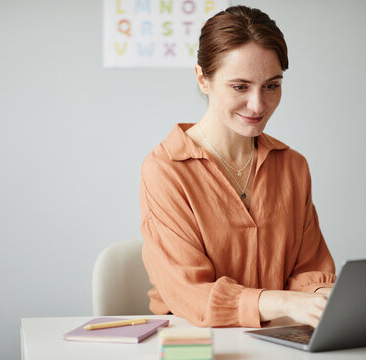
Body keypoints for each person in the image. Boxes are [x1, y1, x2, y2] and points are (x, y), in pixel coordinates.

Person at [139, 5, 336, 329]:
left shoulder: (293, 166)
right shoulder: (165, 170)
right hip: (194, 342)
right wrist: (284, 301)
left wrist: (324, 297)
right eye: (240, 87)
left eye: (272, 86)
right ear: (203, 78)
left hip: (278, 339)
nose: (259, 105)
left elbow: (310, 271)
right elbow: (191, 294)